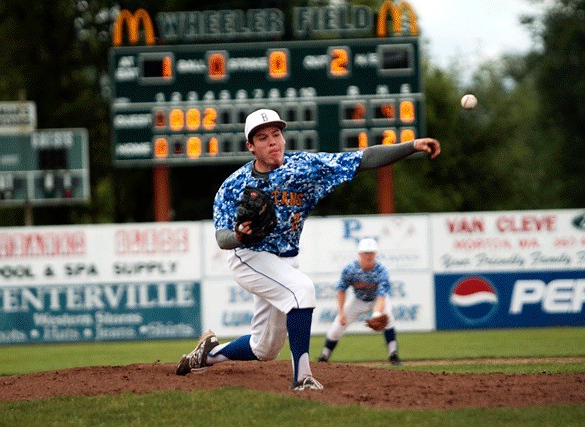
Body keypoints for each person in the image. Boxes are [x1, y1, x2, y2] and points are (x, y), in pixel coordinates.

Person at [176, 108, 440, 390]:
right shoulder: (234, 186)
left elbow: (363, 159)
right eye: (263, 138)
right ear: (250, 147)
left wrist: (411, 146)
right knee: (301, 290)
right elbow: (222, 238)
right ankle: (302, 378)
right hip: (248, 258)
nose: (272, 141)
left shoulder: (304, 167)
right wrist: (239, 237)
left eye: (276, 134)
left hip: (284, 262)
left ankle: (208, 354)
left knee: (265, 349)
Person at [318, 237, 403, 366]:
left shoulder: (381, 271)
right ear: (359, 253)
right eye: (365, 253)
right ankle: (324, 356)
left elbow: (381, 297)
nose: (368, 256)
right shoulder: (350, 269)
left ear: (376, 254)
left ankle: (393, 355)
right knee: (337, 326)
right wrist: (341, 313)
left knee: (388, 319)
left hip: (376, 300)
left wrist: (376, 315)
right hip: (358, 300)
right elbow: (341, 290)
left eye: (371, 252)